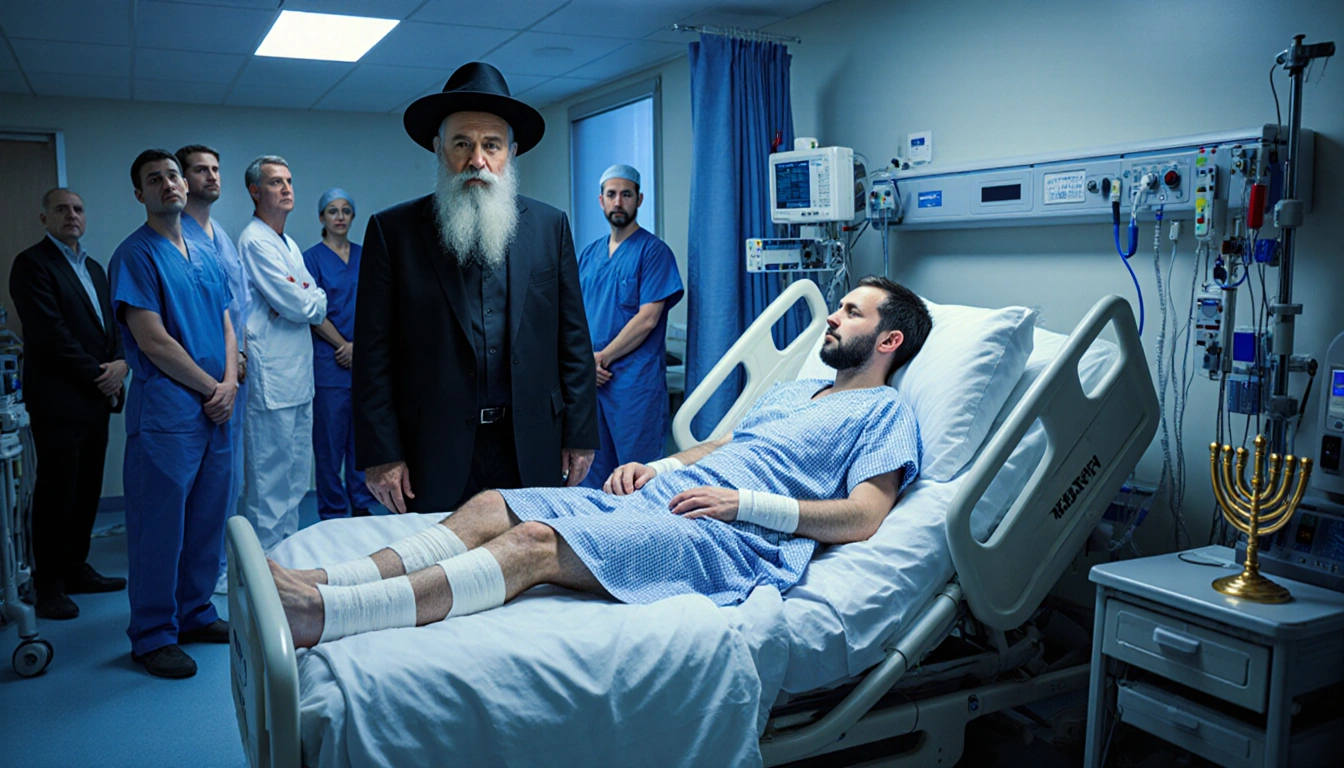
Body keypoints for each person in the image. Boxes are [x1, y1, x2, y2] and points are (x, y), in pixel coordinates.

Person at [271, 277, 931, 648]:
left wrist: (742, 504)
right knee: (495, 504)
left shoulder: (883, 414)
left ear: (889, 339)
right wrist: (659, 467)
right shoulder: (794, 391)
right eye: (838, 307)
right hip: (667, 498)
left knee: (534, 542)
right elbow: (725, 448)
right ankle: (331, 578)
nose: (833, 319)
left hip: (732, 537)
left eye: (851, 312)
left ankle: (325, 616)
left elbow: (866, 516)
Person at [355, 61, 597, 515]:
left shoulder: (550, 227)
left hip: (530, 445)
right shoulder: (394, 232)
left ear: (511, 152)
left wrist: (581, 435)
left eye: (492, 145)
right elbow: (373, 355)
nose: (477, 160)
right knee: (436, 574)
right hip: (432, 449)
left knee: (530, 570)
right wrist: (381, 454)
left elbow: (574, 341)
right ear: (438, 148)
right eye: (461, 143)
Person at [110, 150, 237, 678]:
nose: (169, 184)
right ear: (140, 194)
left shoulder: (205, 252)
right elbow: (153, 341)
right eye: (154, 179)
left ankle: (195, 612)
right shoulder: (134, 255)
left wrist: (229, 382)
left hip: (216, 407)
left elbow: (228, 321)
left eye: (173, 175)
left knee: (208, 520)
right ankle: (153, 634)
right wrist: (213, 387)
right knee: (160, 526)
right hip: (169, 412)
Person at [8, 188, 127, 620]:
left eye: (78, 209)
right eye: (61, 209)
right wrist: (103, 374)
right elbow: (49, 334)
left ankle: (77, 568)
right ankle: (50, 584)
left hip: (96, 399)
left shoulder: (94, 268)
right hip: (60, 400)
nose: (71, 215)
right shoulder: (32, 265)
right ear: (44, 218)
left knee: (87, 488)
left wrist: (120, 363)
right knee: (58, 491)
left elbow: (112, 326)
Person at [237, 155, 327, 551]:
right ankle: (263, 571)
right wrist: (304, 300)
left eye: (289, 181)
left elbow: (314, 302)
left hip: (298, 379)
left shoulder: (288, 243)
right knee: (269, 483)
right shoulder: (254, 241)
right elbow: (302, 305)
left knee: (294, 480)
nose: (287, 188)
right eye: (276, 182)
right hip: (271, 381)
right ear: (255, 191)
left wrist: (304, 300)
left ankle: (285, 559)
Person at [577, 164, 683, 489]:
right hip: (591, 384)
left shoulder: (653, 253)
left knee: (636, 479)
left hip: (633, 388)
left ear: (639, 198)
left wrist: (601, 358)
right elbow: (573, 317)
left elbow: (647, 318)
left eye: (626, 194)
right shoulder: (588, 255)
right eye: (611, 195)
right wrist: (583, 365)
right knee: (589, 474)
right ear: (601, 200)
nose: (618, 202)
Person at [175, 143, 250, 593]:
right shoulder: (174, 237)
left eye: (216, 169)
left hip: (229, 373)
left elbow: (234, 309)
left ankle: (215, 568)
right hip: (195, 380)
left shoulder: (219, 234)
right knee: (193, 490)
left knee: (226, 480)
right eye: (200, 170)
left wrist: (236, 360)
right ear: (182, 181)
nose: (211, 177)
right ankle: (194, 578)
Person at [303, 188, 377, 520]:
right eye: (333, 211)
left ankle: (361, 505)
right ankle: (333, 512)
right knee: (330, 446)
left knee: (361, 442)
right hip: (330, 364)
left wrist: (358, 347)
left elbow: (380, 308)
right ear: (322, 218)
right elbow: (312, 312)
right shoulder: (311, 260)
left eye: (346, 210)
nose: (340, 217)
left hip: (362, 362)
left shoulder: (369, 256)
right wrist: (342, 346)